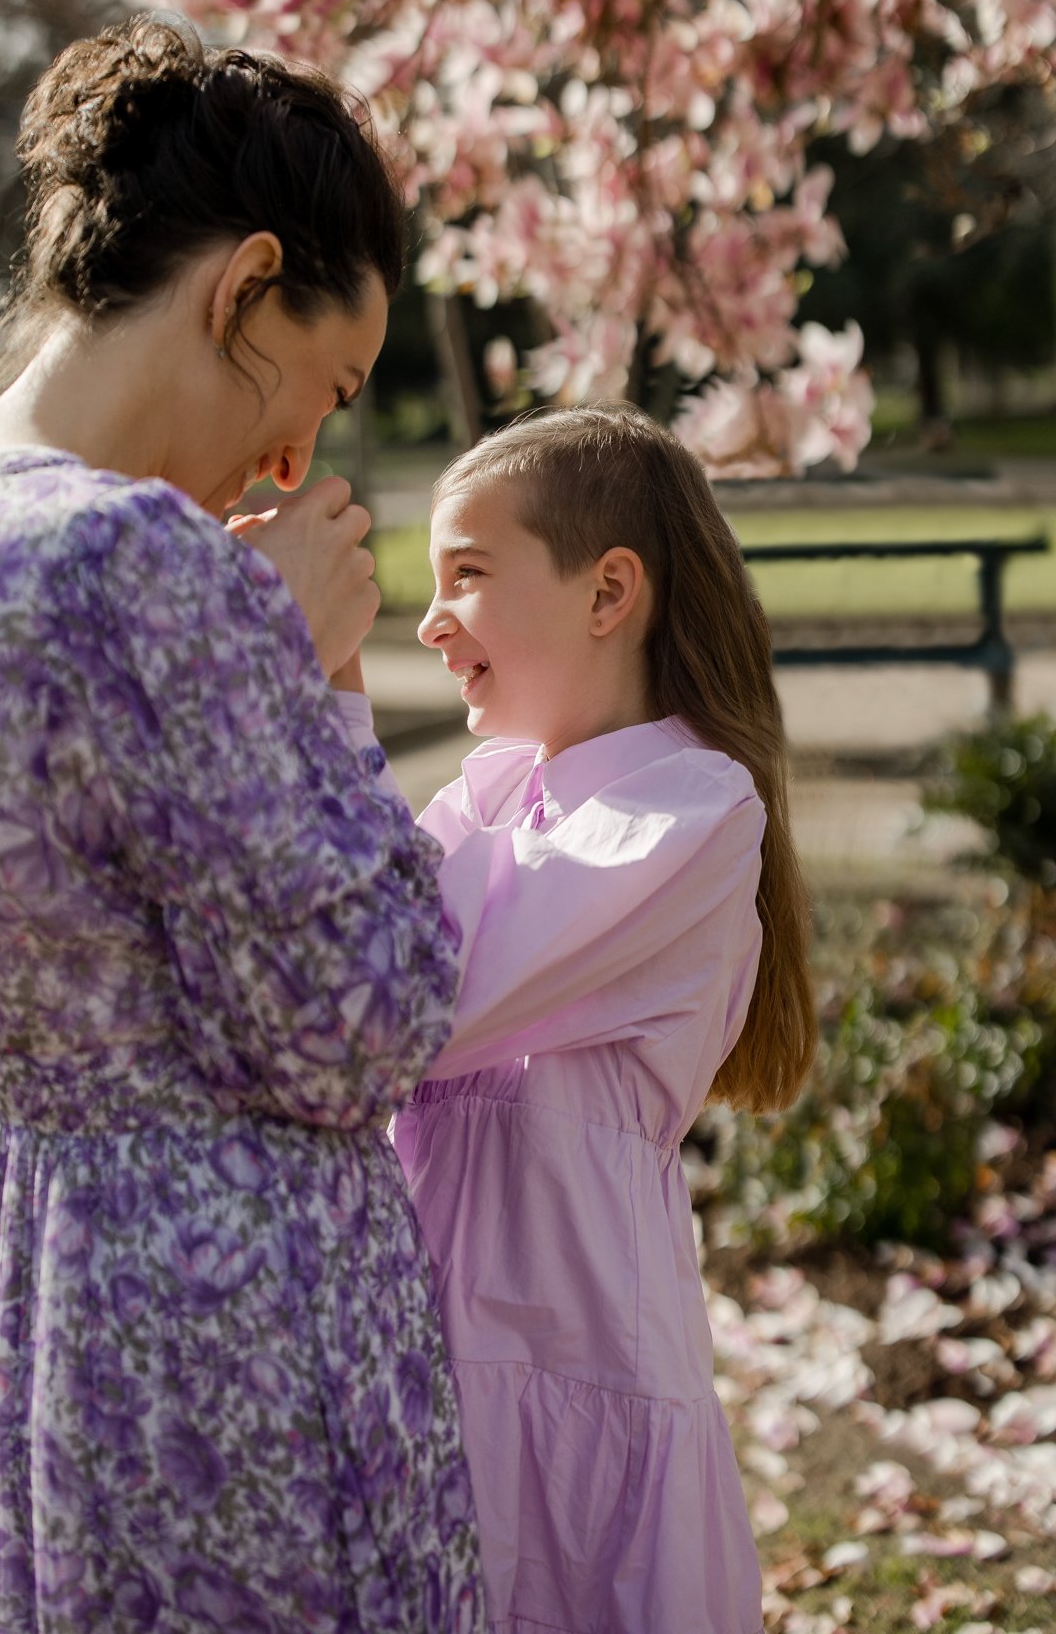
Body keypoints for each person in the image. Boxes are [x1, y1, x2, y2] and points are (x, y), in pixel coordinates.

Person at [0, 16, 487, 1634]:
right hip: (233, 1318)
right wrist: (315, 679)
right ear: (242, 286)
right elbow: (365, 1019)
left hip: (40, 1282)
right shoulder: (147, 567)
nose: (301, 449)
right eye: (324, 380)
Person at [338, 405, 817, 1633]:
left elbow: (414, 995)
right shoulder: (493, 789)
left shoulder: (688, 811)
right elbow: (339, 949)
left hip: (574, 1357)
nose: (430, 620)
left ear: (609, 591)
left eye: (469, 576)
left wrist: (328, 686)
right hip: (448, 1352)